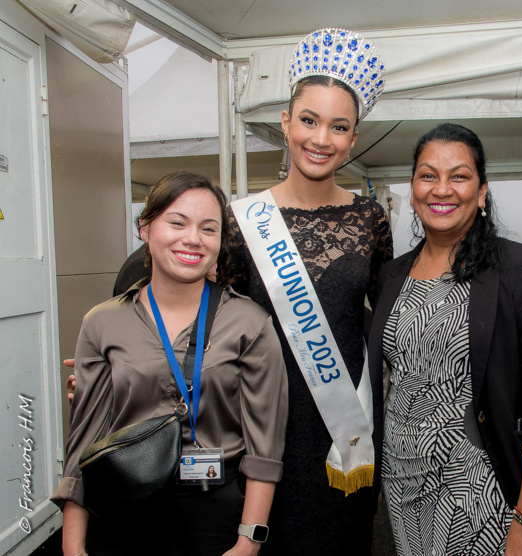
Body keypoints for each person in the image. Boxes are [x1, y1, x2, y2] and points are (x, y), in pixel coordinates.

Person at [66, 28, 393, 554]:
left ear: (354, 139)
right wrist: (118, 368)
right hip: (248, 417)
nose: (321, 138)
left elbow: (380, 321)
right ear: (285, 123)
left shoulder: (370, 219)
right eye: (308, 120)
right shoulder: (239, 220)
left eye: (339, 127)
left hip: (340, 426)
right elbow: (174, 296)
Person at [52, 172, 289, 556]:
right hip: (124, 508)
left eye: (208, 228)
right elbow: (84, 445)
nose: (192, 238)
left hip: (216, 512)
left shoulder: (249, 322)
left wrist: (249, 541)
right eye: (177, 222)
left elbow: (265, 449)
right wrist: (72, 547)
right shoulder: (102, 322)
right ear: (145, 228)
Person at [369, 123, 522, 555]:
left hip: (480, 490)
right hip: (402, 486)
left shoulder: (519, 268)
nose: (442, 189)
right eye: (428, 175)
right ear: (414, 187)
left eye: (458, 176)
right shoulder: (390, 274)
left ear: (481, 193)